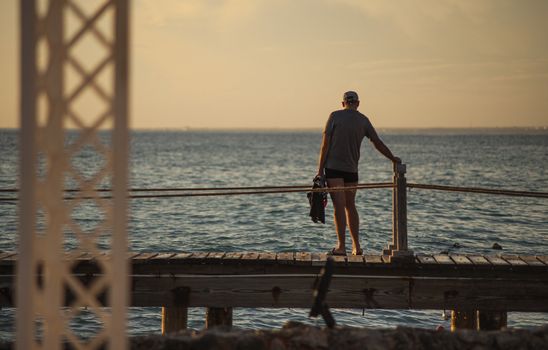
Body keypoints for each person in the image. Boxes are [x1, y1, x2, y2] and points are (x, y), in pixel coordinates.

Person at [317, 91, 401, 256]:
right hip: (351, 170)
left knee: (339, 206)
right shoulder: (363, 120)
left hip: (334, 168)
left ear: (343, 103)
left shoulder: (334, 116)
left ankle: (341, 247)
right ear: (358, 103)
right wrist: (392, 158)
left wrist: (320, 171)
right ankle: (357, 247)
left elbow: (324, 145)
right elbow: (377, 143)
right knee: (351, 206)